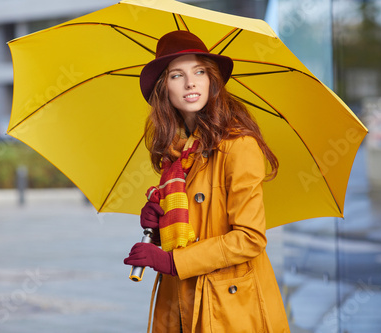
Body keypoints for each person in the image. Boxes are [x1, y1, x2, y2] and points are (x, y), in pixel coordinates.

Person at [123, 31, 290, 332]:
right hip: (180, 302)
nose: (191, 83)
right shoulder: (176, 155)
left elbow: (250, 238)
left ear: (212, 80)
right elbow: (194, 228)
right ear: (164, 89)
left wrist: (173, 262)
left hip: (230, 307)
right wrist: (159, 228)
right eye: (177, 75)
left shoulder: (239, 145)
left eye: (199, 71)